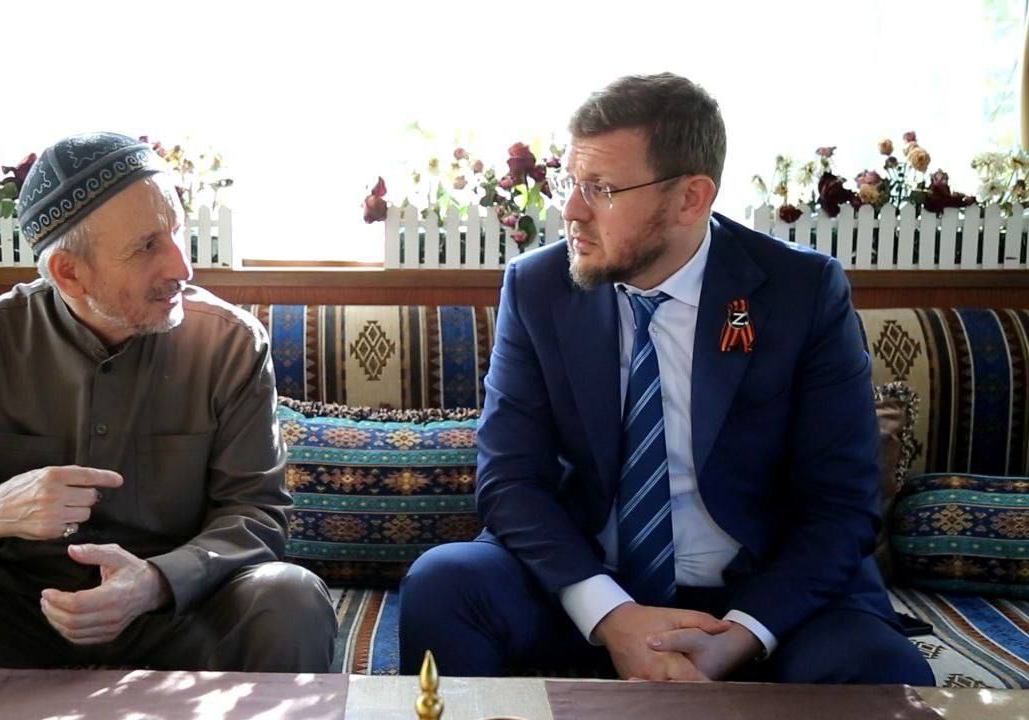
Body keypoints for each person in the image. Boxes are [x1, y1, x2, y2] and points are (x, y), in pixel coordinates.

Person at [398, 74, 932, 685]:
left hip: (763, 593)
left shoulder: (802, 293)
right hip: (586, 585)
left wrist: (746, 633)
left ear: (690, 199)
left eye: (601, 189)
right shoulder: (538, 287)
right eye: (571, 182)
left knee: (879, 668)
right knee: (443, 584)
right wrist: (613, 617)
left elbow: (842, 503)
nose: (571, 212)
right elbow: (510, 481)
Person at [0, 132, 336, 676]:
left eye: (178, 232)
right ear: (69, 273)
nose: (182, 267)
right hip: (5, 618)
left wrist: (154, 583)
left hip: (171, 618)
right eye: (148, 246)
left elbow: (257, 514)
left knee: (289, 599)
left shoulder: (230, 343)